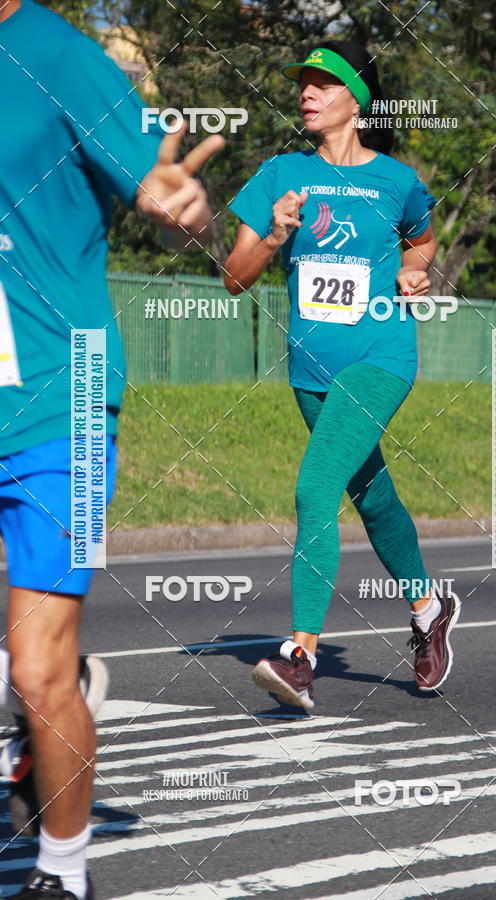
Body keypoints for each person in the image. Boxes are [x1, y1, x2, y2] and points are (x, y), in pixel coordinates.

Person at [0, 1, 223, 897]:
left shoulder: (57, 54)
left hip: (69, 399)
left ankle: (64, 870)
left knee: (41, 669)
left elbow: (162, 186)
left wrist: (181, 208)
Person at [225, 41, 460, 711]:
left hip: (382, 357)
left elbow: (422, 238)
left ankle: (300, 655)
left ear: (356, 99)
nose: (306, 91)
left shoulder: (397, 179)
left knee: (316, 485)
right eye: (302, 82)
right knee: (371, 494)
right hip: (309, 370)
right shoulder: (279, 175)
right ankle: (427, 607)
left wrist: (415, 272)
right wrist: (273, 237)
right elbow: (235, 280)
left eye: (322, 83)